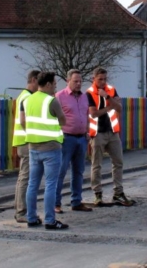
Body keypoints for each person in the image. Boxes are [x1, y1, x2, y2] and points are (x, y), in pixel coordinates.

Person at [23, 71, 69, 230]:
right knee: (51, 184)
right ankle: (50, 220)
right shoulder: (52, 101)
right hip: (51, 148)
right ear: (48, 84)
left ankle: (31, 218)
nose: (56, 86)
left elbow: (24, 121)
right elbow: (63, 120)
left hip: (33, 147)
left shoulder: (28, 100)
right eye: (55, 83)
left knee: (32, 184)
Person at [87, 67, 134, 207]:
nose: (102, 82)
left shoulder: (111, 90)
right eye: (100, 79)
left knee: (118, 162)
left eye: (104, 79)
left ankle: (118, 193)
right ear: (94, 79)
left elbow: (119, 108)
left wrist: (108, 98)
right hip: (97, 133)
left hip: (113, 132)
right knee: (97, 165)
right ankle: (98, 194)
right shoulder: (89, 93)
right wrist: (111, 105)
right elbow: (94, 113)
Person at [54, 69, 93, 213]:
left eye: (80, 81)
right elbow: (54, 118)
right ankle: (56, 203)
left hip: (81, 138)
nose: (78, 84)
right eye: (75, 81)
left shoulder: (84, 97)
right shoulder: (59, 97)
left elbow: (87, 115)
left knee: (79, 171)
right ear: (67, 81)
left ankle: (76, 201)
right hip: (66, 138)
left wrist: (88, 131)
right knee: (61, 171)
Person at [12, 69, 40, 223]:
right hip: (26, 141)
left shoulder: (23, 96)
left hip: (21, 140)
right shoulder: (28, 98)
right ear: (34, 80)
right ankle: (22, 212)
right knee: (26, 177)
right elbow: (26, 121)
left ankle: (19, 208)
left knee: (22, 177)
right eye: (40, 82)